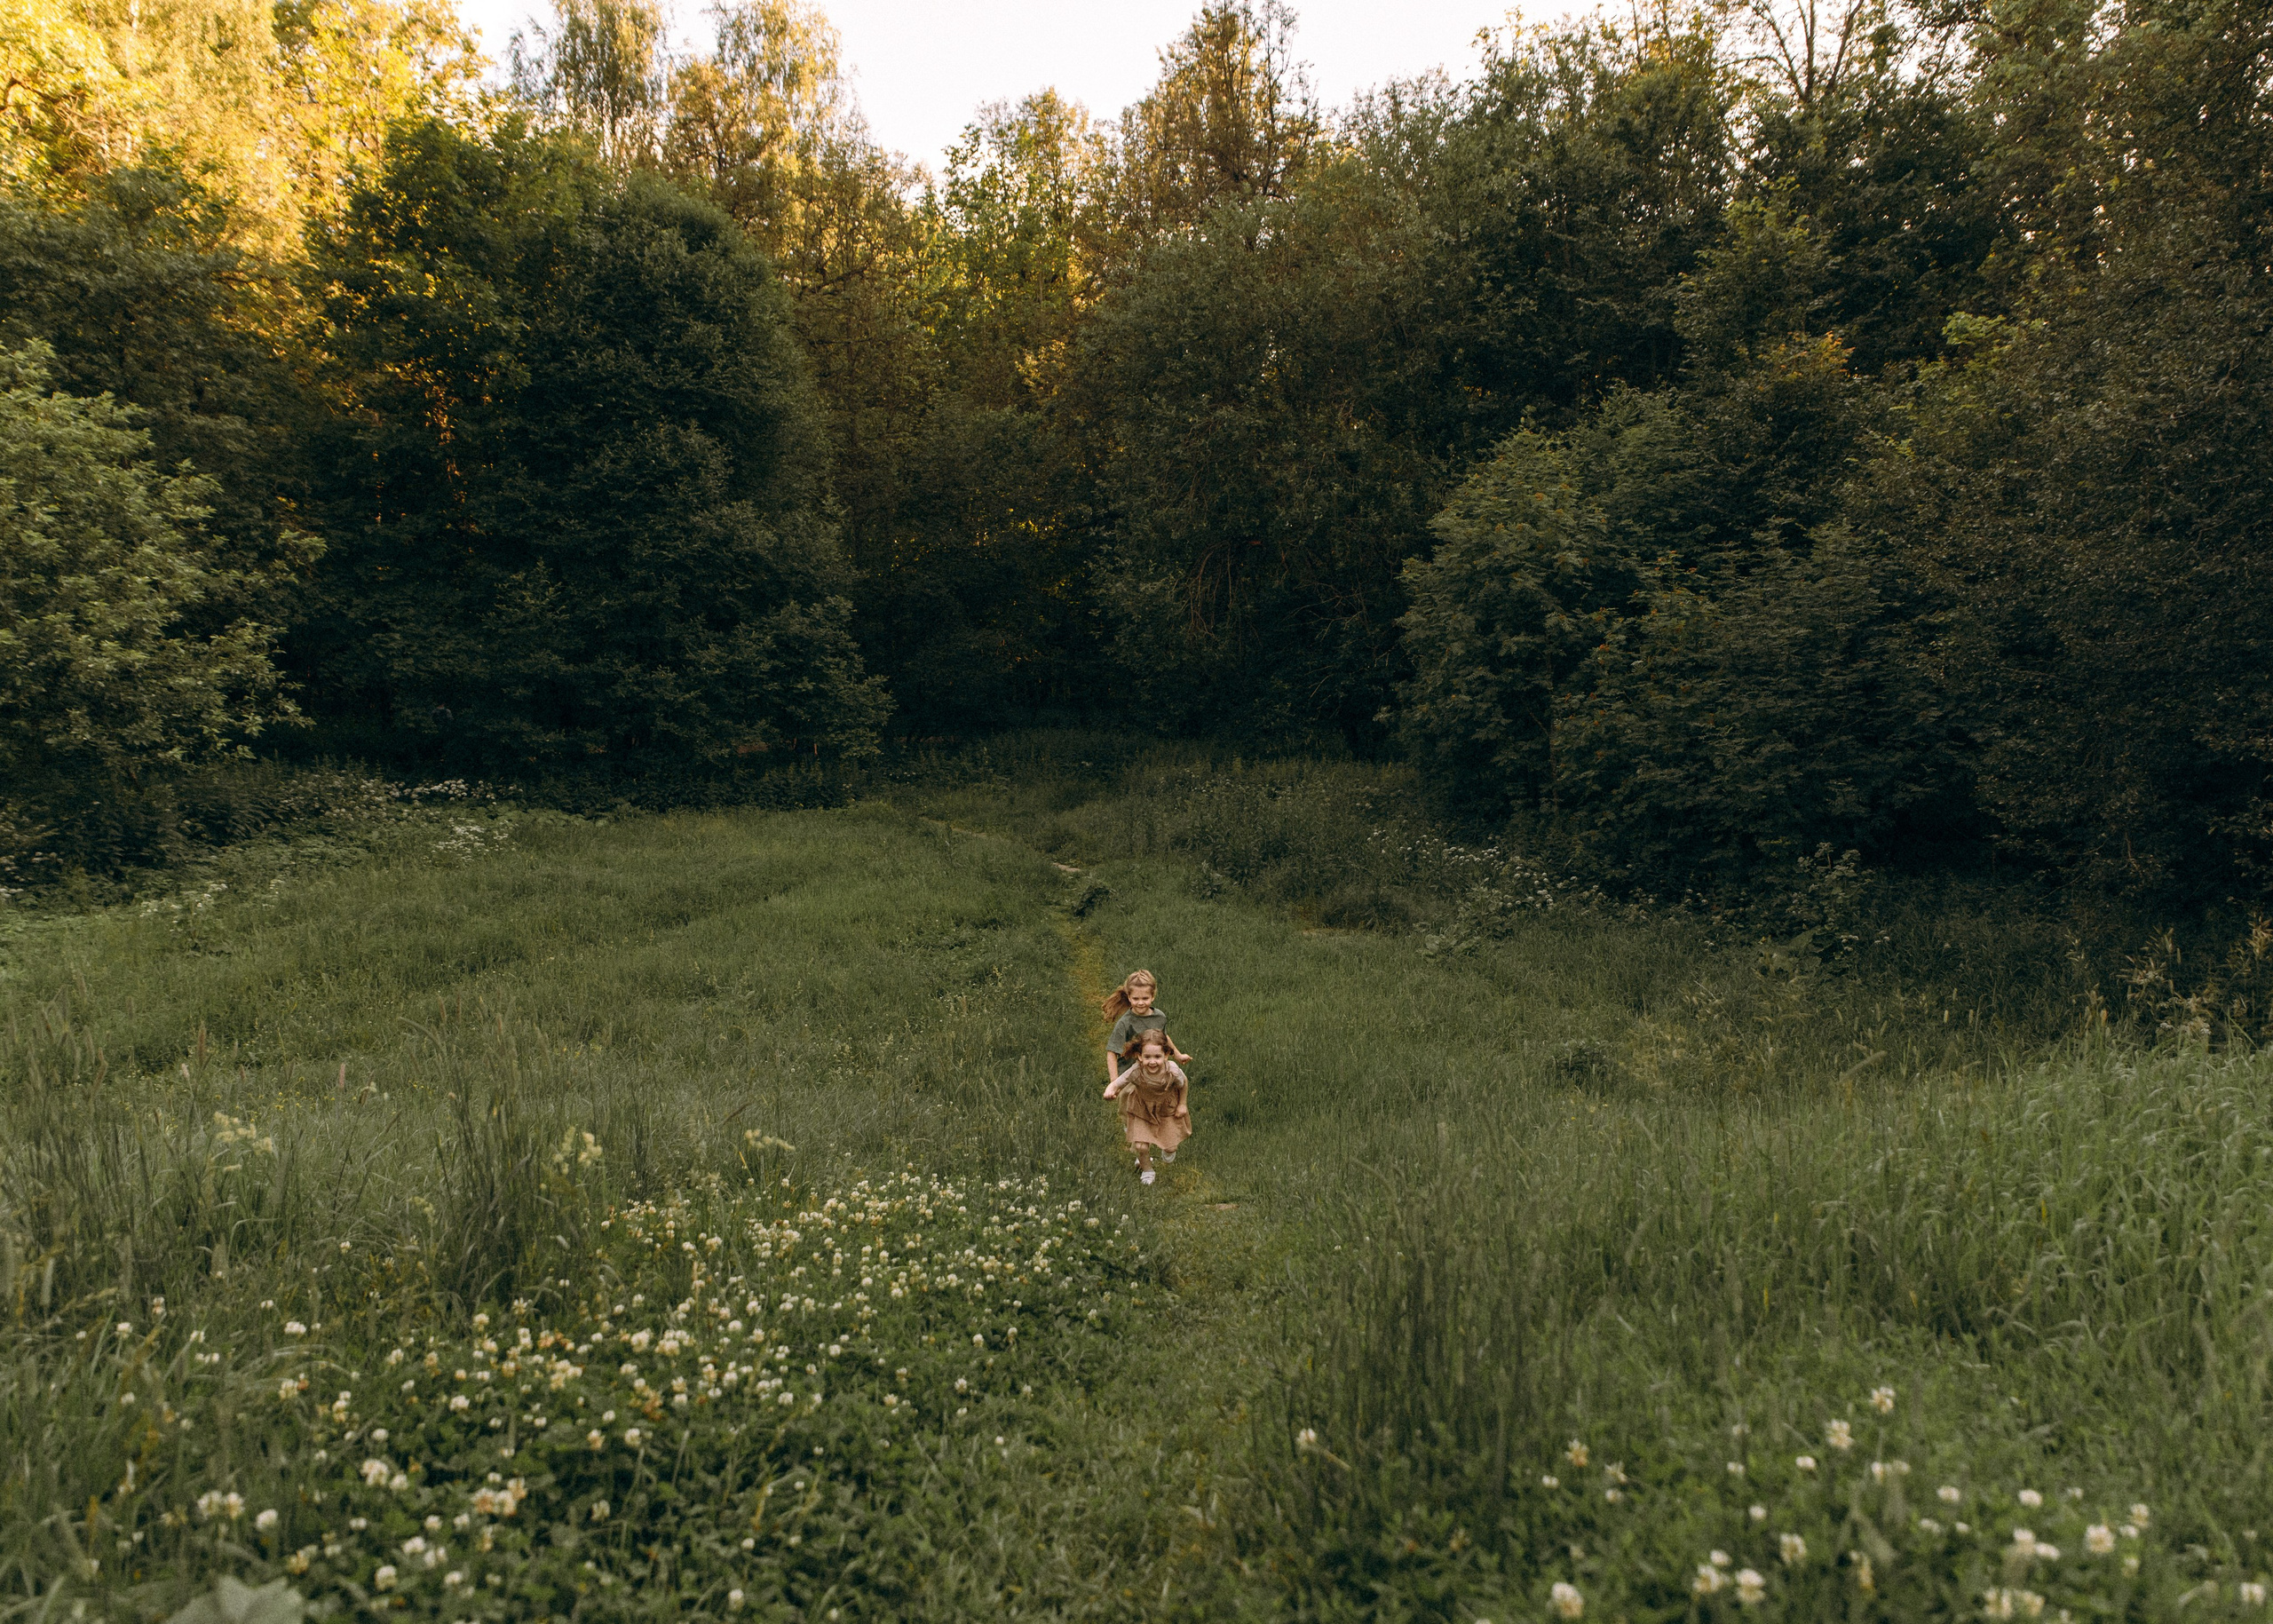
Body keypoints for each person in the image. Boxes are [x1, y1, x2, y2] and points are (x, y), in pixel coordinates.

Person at [1105, 1030, 1190, 1184]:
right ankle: (1147, 1170)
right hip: (1142, 1108)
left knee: (1170, 1148)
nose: (1152, 1062)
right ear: (1139, 1056)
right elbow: (1119, 1082)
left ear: (1165, 1055)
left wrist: (1182, 1104)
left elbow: (1183, 1084)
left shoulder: (1172, 1071)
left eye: (1157, 1057)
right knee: (1141, 1146)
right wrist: (1110, 1090)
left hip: (1166, 1109)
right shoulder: (1137, 1071)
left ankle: (1167, 1148)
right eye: (1147, 1057)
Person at [1100, 969, 1194, 1089]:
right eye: (1136, 999)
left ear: (1153, 996)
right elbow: (1112, 1052)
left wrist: (1178, 1056)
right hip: (1131, 1078)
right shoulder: (1125, 1023)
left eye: (1145, 998)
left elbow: (1164, 1038)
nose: (1140, 1003)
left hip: (1155, 1070)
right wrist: (1114, 1081)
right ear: (1129, 997)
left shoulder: (1159, 1017)